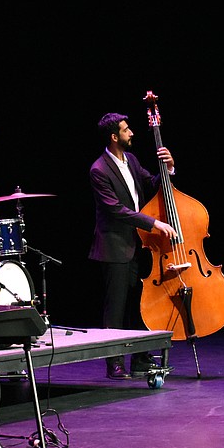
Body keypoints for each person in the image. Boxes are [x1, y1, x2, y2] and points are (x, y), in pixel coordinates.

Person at [88, 112, 178, 379]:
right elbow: (116, 209)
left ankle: (140, 359)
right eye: (127, 130)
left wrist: (169, 168)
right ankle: (114, 363)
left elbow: (152, 183)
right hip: (114, 246)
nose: (132, 133)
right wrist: (153, 223)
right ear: (115, 137)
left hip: (138, 244)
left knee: (139, 307)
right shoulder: (99, 170)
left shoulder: (132, 160)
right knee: (115, 309)